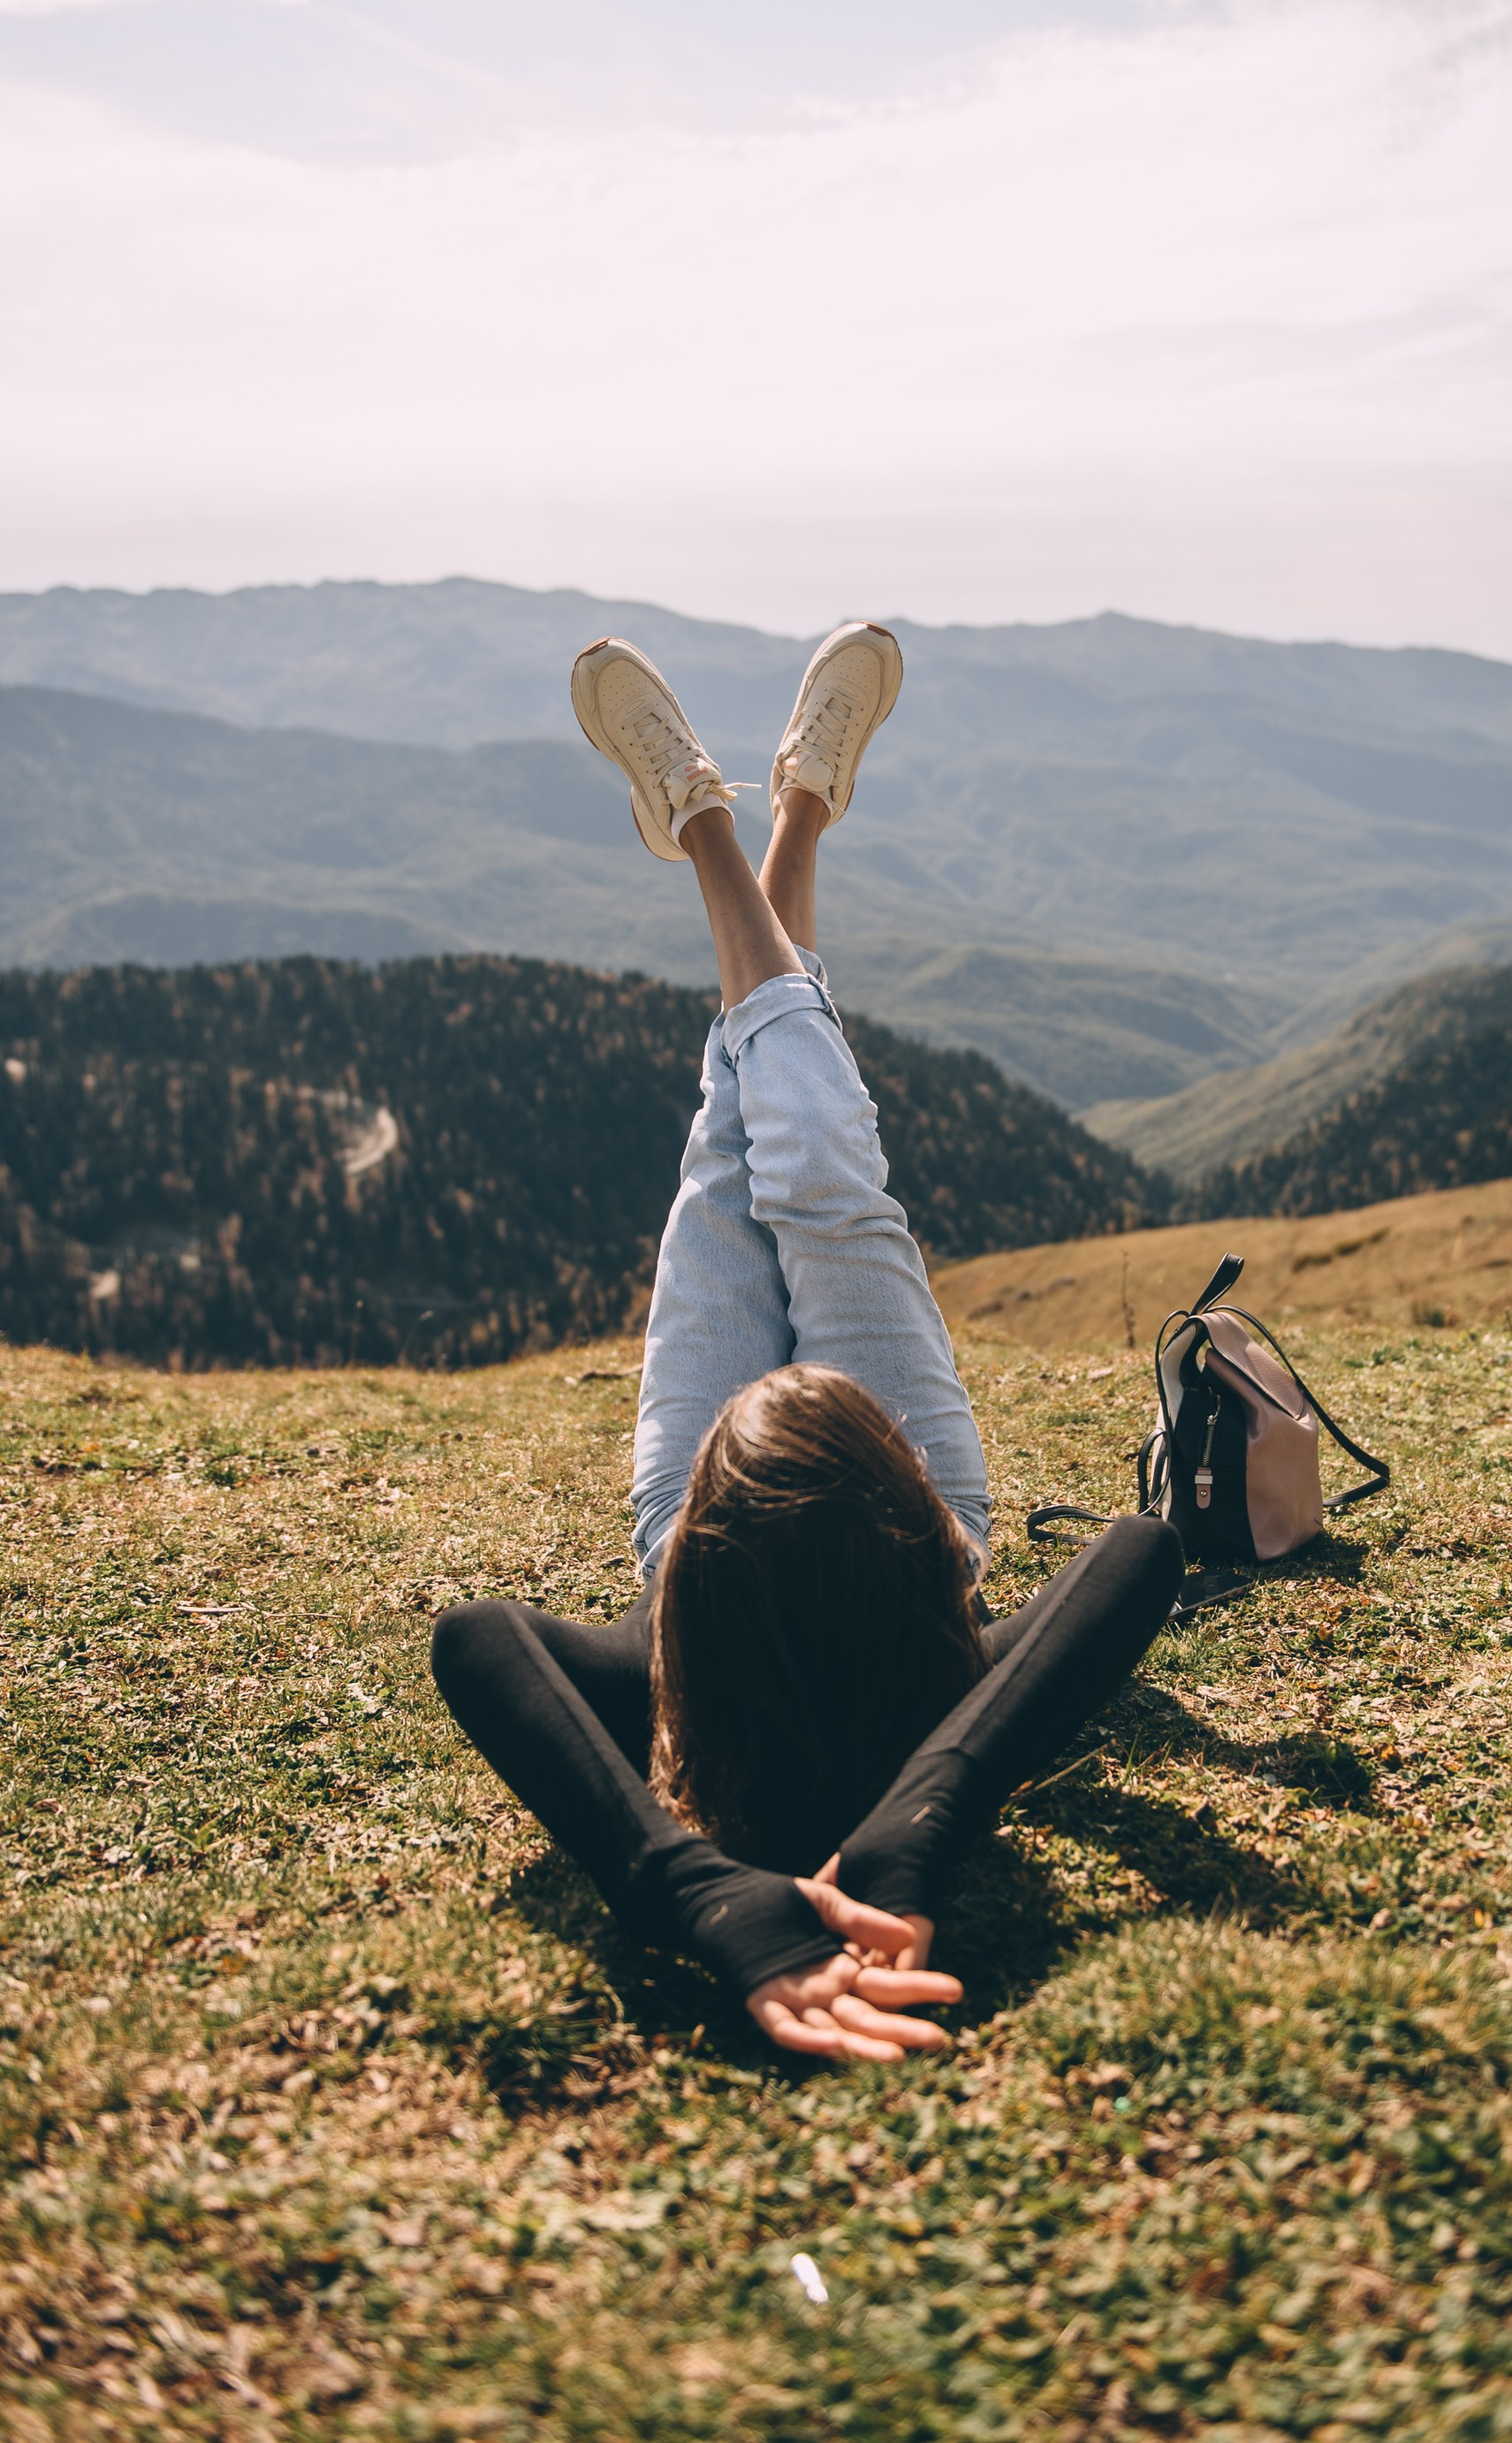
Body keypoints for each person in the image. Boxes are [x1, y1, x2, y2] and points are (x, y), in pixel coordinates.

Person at [432, 622, 1183, 2063]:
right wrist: (920, 1827)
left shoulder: (669, 1639)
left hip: (718, 1522)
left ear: (696, 1572)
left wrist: (700, 1893)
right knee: (822, 1173)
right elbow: (1136, 1552)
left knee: (735, 1154)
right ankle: (767, 817)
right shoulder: (943, 1644)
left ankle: (726, 815)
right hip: (879, 1449)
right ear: (920, 1538)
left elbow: (477, 1640)